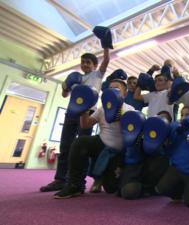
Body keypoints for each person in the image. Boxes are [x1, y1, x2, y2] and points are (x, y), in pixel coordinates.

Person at [40, 47, 110, 192]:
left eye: (88, 62)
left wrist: (106, 47)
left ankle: (78, 181)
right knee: (65, 146)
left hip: (87, 113)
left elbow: (106, 61)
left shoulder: (97, 75)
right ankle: (60, 180)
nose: (85, 64)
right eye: (83, 62)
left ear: (94, 65)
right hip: (71, 112)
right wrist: (66, 85)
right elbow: (65, 95)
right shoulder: (77, 78)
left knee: (82, 148)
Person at [53, 79, 134, 199]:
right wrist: (83, 109)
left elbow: (132, 133)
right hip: (101, 144)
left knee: (111, 188)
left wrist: (118, 114)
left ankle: (101, 178)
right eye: (110, 89)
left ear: (125, 93)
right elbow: (85, 125)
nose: (112, 92)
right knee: (80, 142)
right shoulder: (102, 109)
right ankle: (75, 185)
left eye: (117, 89)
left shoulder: (130, 109)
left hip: (117, 153)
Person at [155, 105, 189, 208]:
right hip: (176, 169)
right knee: (162, 189)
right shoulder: (176, 130)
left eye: (188, 115)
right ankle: (179, 192)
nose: (184, 117)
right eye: (182, 115)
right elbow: (168, 150)